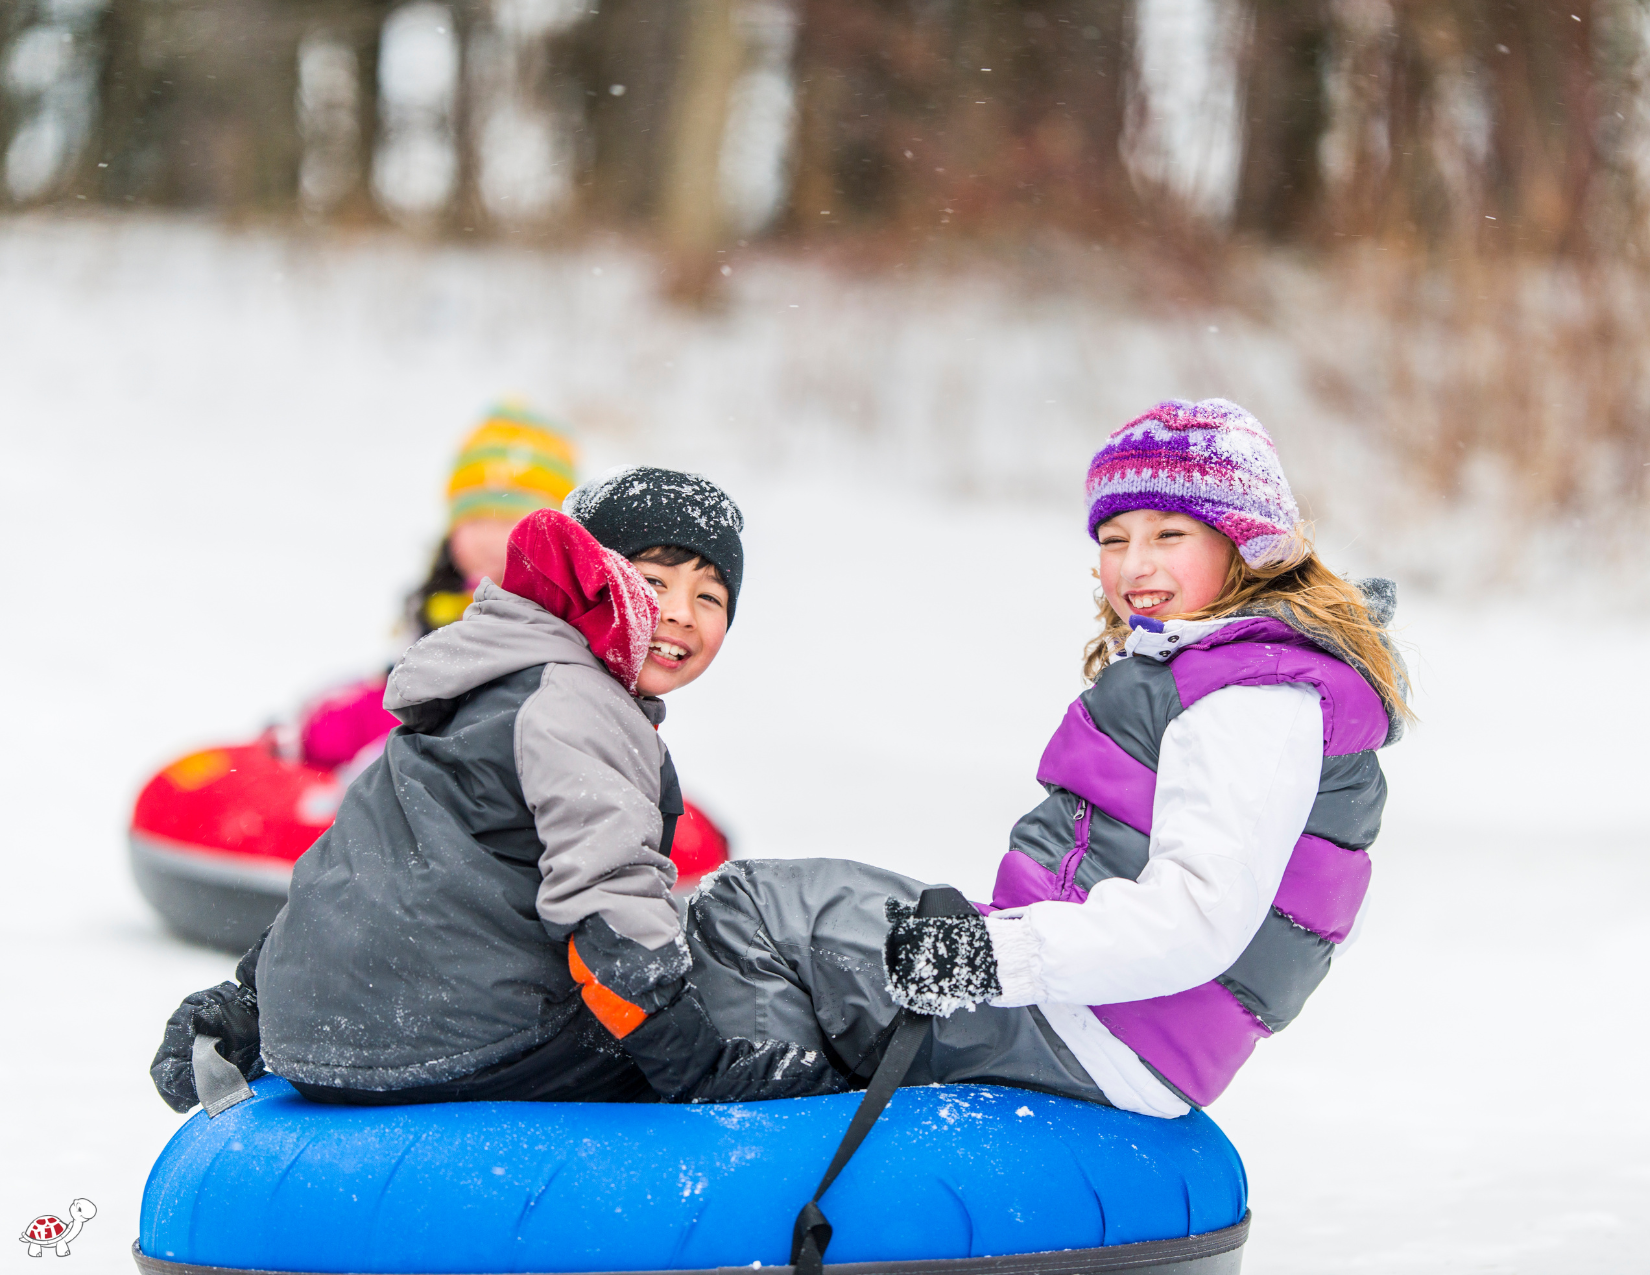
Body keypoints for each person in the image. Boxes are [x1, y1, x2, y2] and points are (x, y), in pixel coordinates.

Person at [680, 397, 1409, 1114]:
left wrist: (996, 956)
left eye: (1169, 533)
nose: (1134, 564)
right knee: (815, 908)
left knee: (750, 906)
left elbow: (1199, 914)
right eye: (1116, 537)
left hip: (1090, 1032)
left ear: (1245, 542)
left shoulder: (1250, 697)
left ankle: (756, 1165)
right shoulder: (1263, 675)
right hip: (1107, 1017)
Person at [152, 468, 844, 1111]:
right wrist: (703, 1069)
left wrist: (253, 998)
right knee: (711, 976)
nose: (683, 613)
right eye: (656, 581)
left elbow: (366, 854)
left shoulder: (489, 672)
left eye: (711, 597)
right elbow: (607, 906)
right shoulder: (576, 701)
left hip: (322, 1039)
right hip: (450, 1043)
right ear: (589, 575)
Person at [298, 403, 578, 774]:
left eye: (509, 521)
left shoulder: (555, 610)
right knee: (328, 722)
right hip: (431, 734)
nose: (488, 540)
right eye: (475, 519)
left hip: (501, 759)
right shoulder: (443, 597)